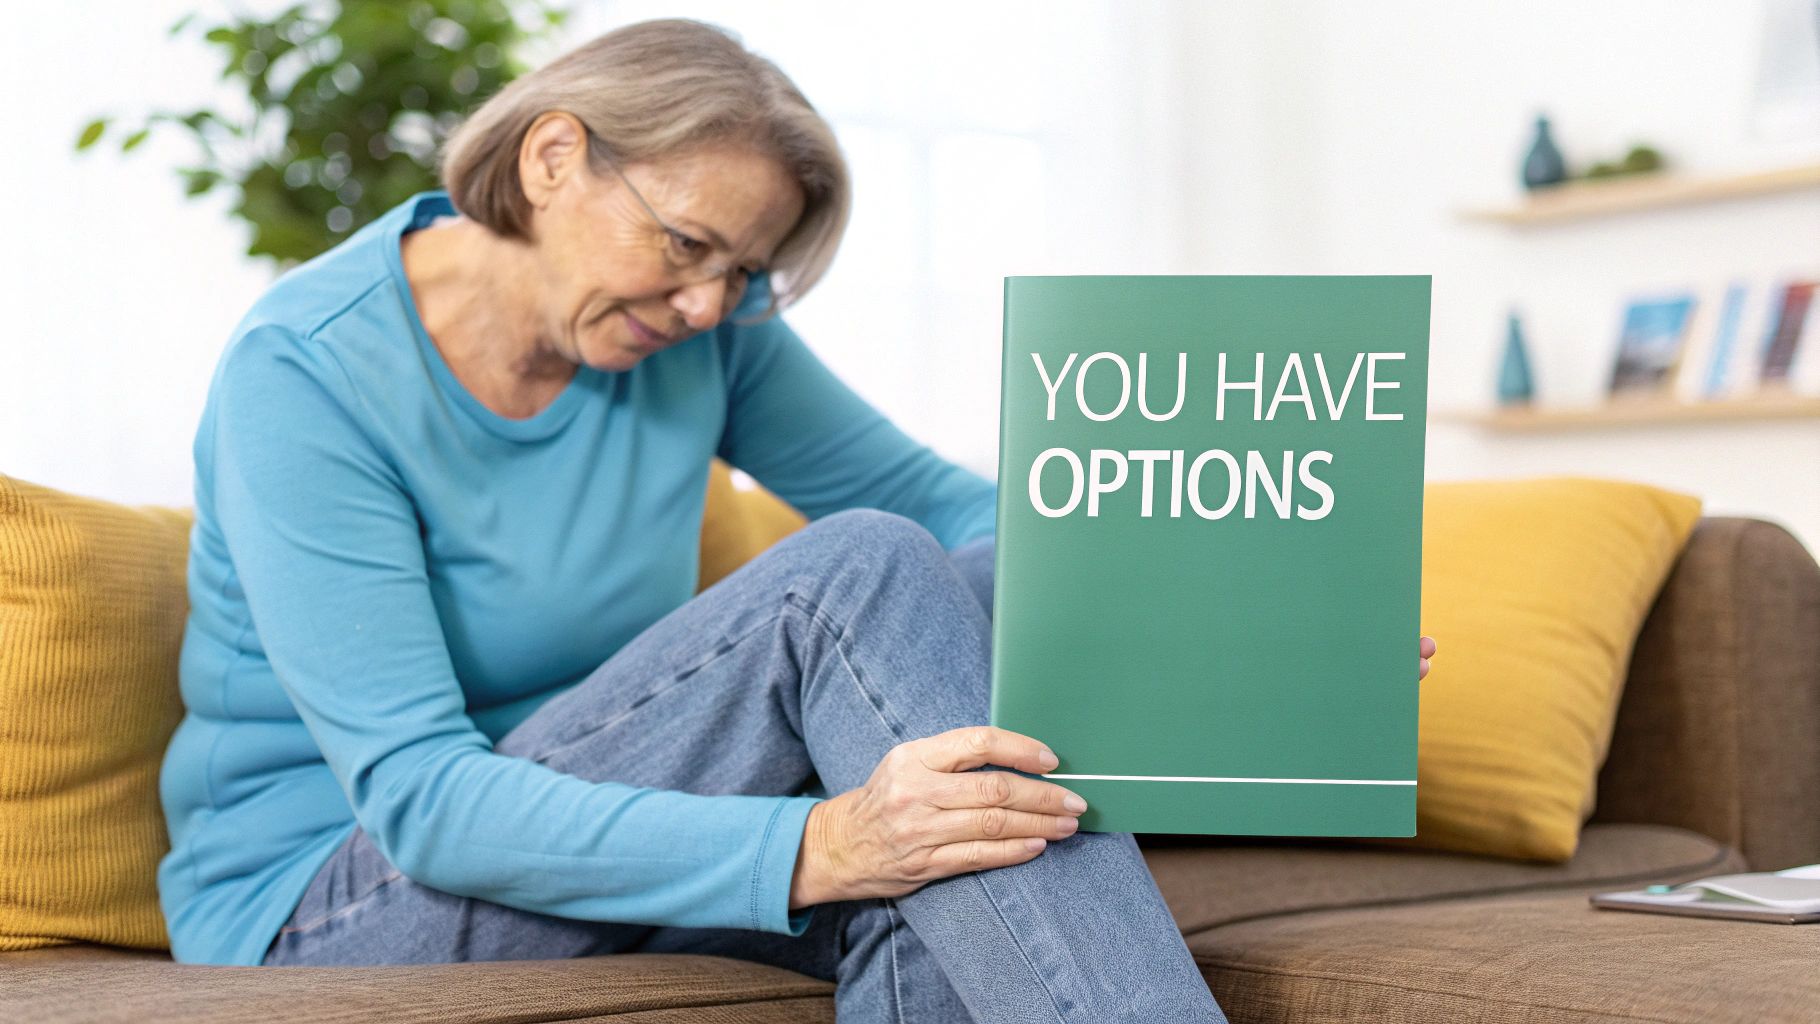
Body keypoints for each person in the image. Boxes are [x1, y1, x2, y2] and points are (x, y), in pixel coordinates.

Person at [157, 17, 1436, 1022]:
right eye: (685, 245)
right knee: (860, 573)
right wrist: (821, 839)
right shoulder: (306, 373)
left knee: (941, 841)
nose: (709, 307)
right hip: (341, 896)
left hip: (597, 843)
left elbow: (975, 512)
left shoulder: (693, 337)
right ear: (553, 159)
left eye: (742, 275)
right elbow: (425, 801)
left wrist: (1259, 608)